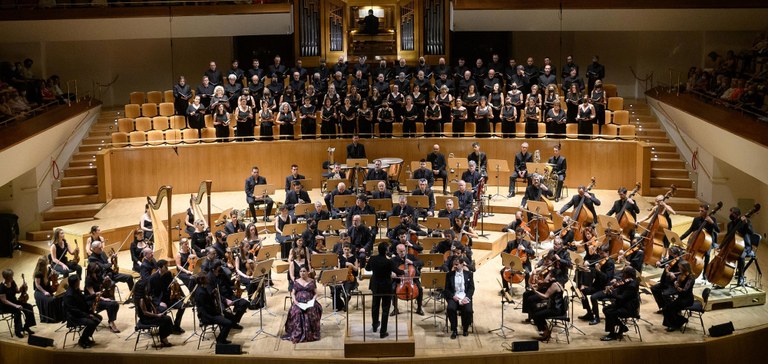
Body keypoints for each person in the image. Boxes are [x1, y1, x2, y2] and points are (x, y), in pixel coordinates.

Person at [366, 242, 404, 338]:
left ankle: (375, 325)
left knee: (375, 306)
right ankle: (383, 332)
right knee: (385, 309)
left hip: (375, 286)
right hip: (386, 287)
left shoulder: (372, 259)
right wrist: (404, 271)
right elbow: (398, 272)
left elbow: (367, 268)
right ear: (386, 250)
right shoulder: (389, 262)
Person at [282, 266, 323, 343]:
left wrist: (313, 300)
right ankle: (298, 332)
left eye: (304, 271)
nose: (302, 273)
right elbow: (293, 293)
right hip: (299, 302)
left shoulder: (312, 281)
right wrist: (295, 301)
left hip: (309, 302)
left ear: (308, 272)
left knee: (311, 312)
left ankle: (310, 332)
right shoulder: (296, 281)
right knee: (296, 312)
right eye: (301, 271)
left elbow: (316, 293)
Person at [679, 204, 720, 279]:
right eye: (699, 210)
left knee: (707, 255)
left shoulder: (712, 219)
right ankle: (688, 269)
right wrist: (681, 238)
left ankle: (704, 273)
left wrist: (712, 222)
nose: (700, 212)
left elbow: (718, 230)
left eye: (702, 211)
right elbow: (690, 230)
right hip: (697, 241)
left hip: (707, 241)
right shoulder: (696, 219)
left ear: (707, 211)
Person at [147, 259, 186, 335]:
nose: (167, 268)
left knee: (182, 306)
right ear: (160, 268)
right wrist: (159, 303)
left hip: (169, 298)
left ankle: (176, 326)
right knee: (163, 309)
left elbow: (171, 284)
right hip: (159, 301)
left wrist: (174, 282)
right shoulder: (152, 278)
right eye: (166, 266)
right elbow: (150, 294)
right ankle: (164, 330)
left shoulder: (168, 274)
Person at [601, 266, 640, 341]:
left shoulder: (632, 285)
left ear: (628, 274)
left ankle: (612, 334)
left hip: (629, 308)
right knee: (605, 309)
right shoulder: (628, 281)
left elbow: (622, 297)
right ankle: (622, 326)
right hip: (623, 304)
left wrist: (611, 293)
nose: (622, 276)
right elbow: (620, 289)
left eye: (624, 274)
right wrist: (613, 287)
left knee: (610, 312)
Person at [578, 247, 615, 325]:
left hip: (605, 288)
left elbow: (606, 278)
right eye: (599, 253)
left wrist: (598, 270)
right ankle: (589, 313)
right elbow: (593, 263)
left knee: (593, 297)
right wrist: (588, 265)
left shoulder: (610, 263)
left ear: (607, 253)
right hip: (597, 285)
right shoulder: (601, 260)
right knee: (582, 291)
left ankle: (597, 317)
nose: (600, 256)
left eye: (602, 254)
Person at [62, 275, 101, 348]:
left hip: (81, 313)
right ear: (76, 283)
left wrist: (94, 295)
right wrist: (88, 315)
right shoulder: (69, 295)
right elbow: (73, 310)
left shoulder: (76, 289)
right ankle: (82, 340)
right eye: (78, 281)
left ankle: (86, 337)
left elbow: (84, 298)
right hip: (74, 317)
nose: (79, 282)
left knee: (98, 318)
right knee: (91, 323)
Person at [194, 273, 233, 345]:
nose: (208, 279)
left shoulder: (202, 289)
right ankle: (221, 340)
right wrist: (217, 313)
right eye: (206, 279)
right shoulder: (201, 293)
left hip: (209, 313)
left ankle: (221, 339)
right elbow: (206, 307)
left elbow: (207, 301)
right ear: (203, 281)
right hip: (207, 316)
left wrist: (213, 295)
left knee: (229, 317)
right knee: (228, 323)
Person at [134, 279, 174, 347]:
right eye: (146, 287)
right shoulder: (141, 300)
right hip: (146, 320)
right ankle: (164, 338)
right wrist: (157, 315)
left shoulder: (145, 296)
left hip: (150, 317)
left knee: (165, 318)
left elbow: (152, 306)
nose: (148, 288)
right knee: (167, 319)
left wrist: (156, 311)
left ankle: (163, 337)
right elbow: (145, 312)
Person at [84, 262, 120, 333]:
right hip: (93, 301)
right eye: (96, 270)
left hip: (99, 297)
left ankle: (111, 320)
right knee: (111, 304)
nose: (98, 272)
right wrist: (104, 299)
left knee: (115, 303)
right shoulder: (88, 280)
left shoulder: (98, 276)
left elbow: (104, 287)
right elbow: (93, 294)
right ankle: (111, 323)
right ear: (91, 271)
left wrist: (107, 281)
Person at [529, 271, 565, 341]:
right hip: (556, 307)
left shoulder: (554, 285)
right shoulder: (559, 283)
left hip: (555, 309)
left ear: (553, 277)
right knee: (535, 310)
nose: (548, 278)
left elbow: (545, 296)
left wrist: (535, 291)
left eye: (550, 276)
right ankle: (546, 330)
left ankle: (546, 332)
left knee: (537, 314)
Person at [390, 243, 424, 316]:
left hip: (412, 279)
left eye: (404, 251)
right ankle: (395, 309)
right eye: (401, 251)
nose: (403, 253)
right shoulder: (393, 260)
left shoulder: (411, 257)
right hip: (399, 280)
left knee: (420, 289)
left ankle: (419, 308)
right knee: (392, 289)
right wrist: (392, 273)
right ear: (397, 251)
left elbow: (421, 262)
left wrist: (412, 262)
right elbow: (388, 268)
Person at [0, 269, 36, 338]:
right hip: (5, 306)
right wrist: (16, 305)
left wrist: (22, 287)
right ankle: (18, 331)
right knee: (17, 312)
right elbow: (4, 300)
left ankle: (26, 326)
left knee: (29, 307)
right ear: (6, 278)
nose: (12, 278)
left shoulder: (12, 282)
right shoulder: (1, 287)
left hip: (14, 302)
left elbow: (17, 291)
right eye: (11, 277)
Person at [662, 260, 695, 332]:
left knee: (669, 308)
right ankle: (679, 322)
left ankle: (675, 324)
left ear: (684, 268)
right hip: (681, 298)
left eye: (680, 268)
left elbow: (684, 290)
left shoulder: (691, 278)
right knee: (667, 308)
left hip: (687, 299)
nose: (678, 269)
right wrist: (668, 272)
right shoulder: (682, 273)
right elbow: (671, 274)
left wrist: (675, 284)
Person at [445, 257, 474, 339]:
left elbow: (471, 288)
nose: (454, 266)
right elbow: (446, 289)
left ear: (462, 264)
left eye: (457, 264)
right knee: (450, 308)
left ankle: (465, 329)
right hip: (454, 297)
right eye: (454, 264)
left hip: (465, 296)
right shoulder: (449, 275)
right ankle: (454, 330)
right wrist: (453, 296)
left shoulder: (469, 274)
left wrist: (467, 298)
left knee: (468, 310)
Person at [501, 228, 535, 292]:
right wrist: (503, 254)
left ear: (522, 235)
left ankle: (527, 286)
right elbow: (505, 252)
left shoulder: (527, 243)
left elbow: (532, 252)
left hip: (523, 264)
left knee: (527, 272)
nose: (517, 237)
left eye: (519, 235)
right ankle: (506, 288)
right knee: (502, 271)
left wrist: (524, 249)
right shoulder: (510, 243)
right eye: (516, 235)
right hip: (512, 263)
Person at [32, 256, 63, 323]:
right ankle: (51, 318)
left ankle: (60, 315)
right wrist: (44, 292)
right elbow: (37, 285)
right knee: (51, 300)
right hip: (40, 292)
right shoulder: (38, 273)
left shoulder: (48, 269)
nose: (49, 261)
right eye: (47, 261)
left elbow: (55, 276)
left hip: (47, 289)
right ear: (44, 264)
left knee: (60, 296)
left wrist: (55, 273)